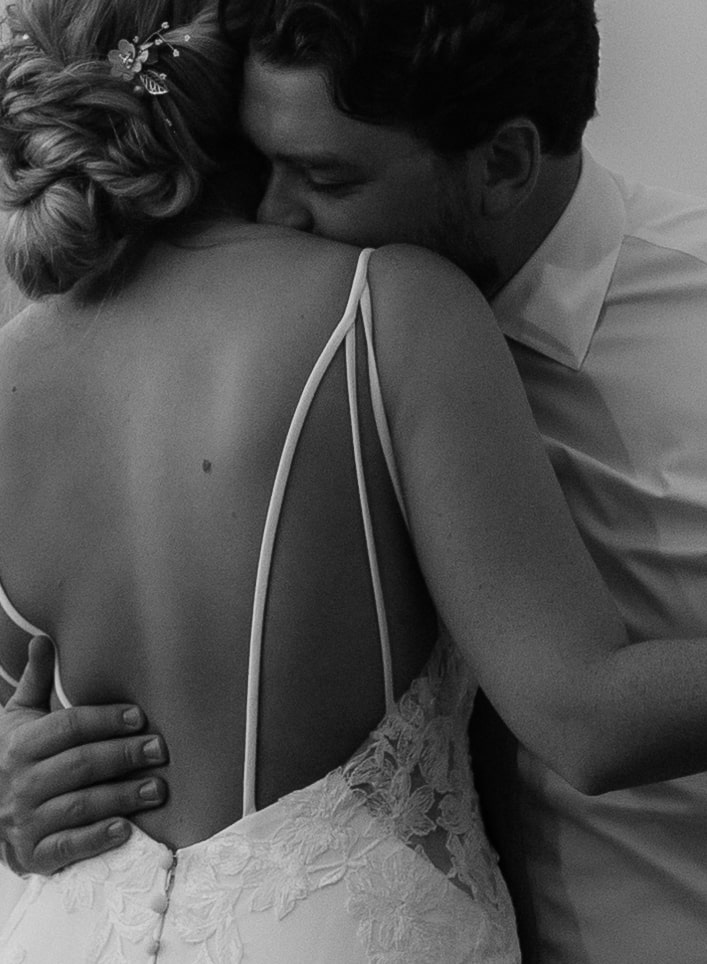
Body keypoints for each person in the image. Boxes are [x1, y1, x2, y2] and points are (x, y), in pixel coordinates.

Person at [1, 0, 707, 960]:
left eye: (325, 175)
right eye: (267, 159)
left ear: (502, 162)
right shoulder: (382, 311)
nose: (279, 209)